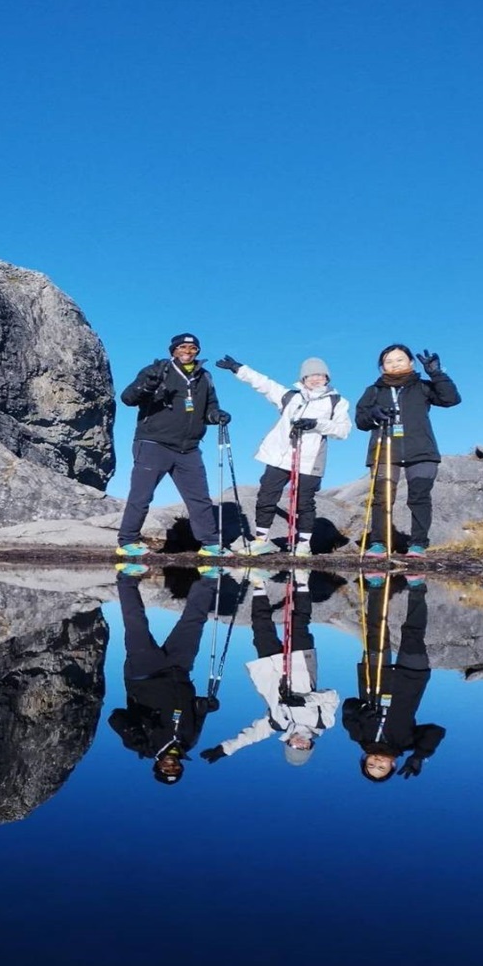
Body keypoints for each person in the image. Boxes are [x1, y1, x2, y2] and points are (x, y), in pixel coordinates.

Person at [215, 354, 351, 556]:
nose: (315, 379)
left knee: (304, 502)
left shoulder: (336, 402)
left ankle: (304, 544)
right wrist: (238, 368)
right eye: (310, 375)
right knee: (266, 496)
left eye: (320, 375)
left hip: (310, 459)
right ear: (303, 379)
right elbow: (264, 384)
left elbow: (344, 430)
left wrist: (316, 424)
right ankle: (262, 540)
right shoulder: (290, 397)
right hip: (279, 456)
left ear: (327, 378)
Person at [200, 568, 338, 767]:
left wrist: (225, 749)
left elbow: (252, 735)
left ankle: (258, 584)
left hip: (270, 669)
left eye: (294, 747)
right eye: (304, 748)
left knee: (260, 625)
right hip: (301, 665)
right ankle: (301, 581)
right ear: (310, 746)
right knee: (299, 622)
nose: (299, 744)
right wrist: (305, 700)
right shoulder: (323, 722)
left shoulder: (277, 723)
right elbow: (332, 696)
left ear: (288, 744)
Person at [116, 333, 231, 559]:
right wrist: (148, 382)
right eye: (182, 347)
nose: (187, 351)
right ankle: (127, 541)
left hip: (188, 448)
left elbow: (209, 408)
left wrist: (216, 415)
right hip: (152, 443)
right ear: (173, 351)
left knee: (199, 497)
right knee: (142, 496)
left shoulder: (204, 377)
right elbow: (128, 398)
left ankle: (210, 544)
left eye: (192, 348)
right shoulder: (158, 370)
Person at [108, 566, 221, 784]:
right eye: (175, 768)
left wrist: (135, 734)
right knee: (194, 622)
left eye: (165, 768)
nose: (171, 765)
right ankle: (209, 578)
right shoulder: (190, 742)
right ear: (180, 767)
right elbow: (197, 711)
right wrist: (207, 706)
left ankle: (126, 577)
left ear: (157, 765)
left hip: (143, 674)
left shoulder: (146, 747)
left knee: (136, 623)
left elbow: (115, 717)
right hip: (178, 671)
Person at [354, 344, 461, 558]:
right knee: (381, 498)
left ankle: (418, 544)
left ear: (410, 362)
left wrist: (437, 373)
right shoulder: (374, 390)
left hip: (421, 450)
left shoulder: (422, 386)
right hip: (385, 450)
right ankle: (378, 543)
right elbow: (360, 421)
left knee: (419, 497)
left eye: (399, 360)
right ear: (382, 367)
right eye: (389, 361)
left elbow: (451, 399)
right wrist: (374, 414)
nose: (394, 364)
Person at [342, 572, 445, 782]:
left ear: (365, 759)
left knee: (376, 630)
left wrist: (360, 712)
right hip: (411, 679)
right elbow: (436, 732)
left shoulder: (358, 736)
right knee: (413, 633)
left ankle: (377, 585)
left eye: (371, 764)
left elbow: (348, 706)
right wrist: (419, 756)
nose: (377, 761)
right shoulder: (406, 743)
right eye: (381, 767)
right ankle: (416, 587)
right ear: (393, 765)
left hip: (375, 676)